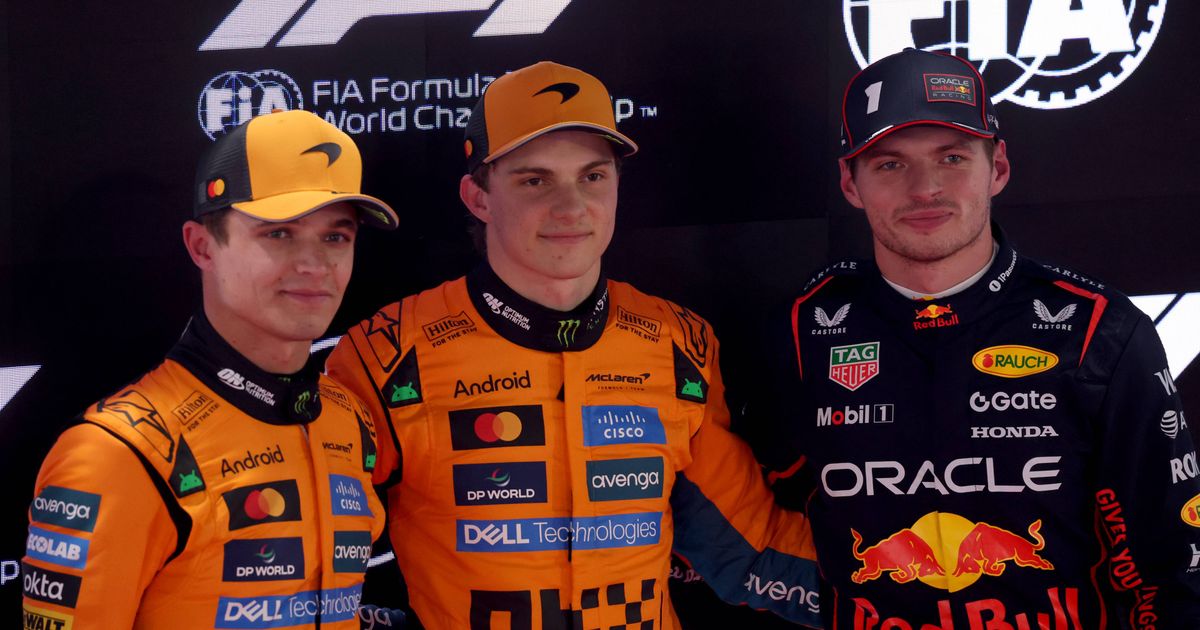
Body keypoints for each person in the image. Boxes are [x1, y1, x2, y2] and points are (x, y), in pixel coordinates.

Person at [326, 61, 822, 629]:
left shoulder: (677, 341)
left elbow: (746, 548)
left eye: (593, 176)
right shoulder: (387, 353)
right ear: (478, 197)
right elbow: (302, 561)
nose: (571, 207)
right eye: (535, 181)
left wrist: (894, 595)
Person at [750, 48, 1200, 627]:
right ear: (850, 183)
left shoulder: (1097, 330)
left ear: (998, 168)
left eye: (952, 157)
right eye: (889, 165)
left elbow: (1173, 566)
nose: (925, 188)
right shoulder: (802, 330)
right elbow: (757, 517)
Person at [21, 109, 397, 629]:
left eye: (336, 237)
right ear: (202, 247)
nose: (314, 265)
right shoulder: (115, 453)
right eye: (279, 234)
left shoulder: (347, 419)